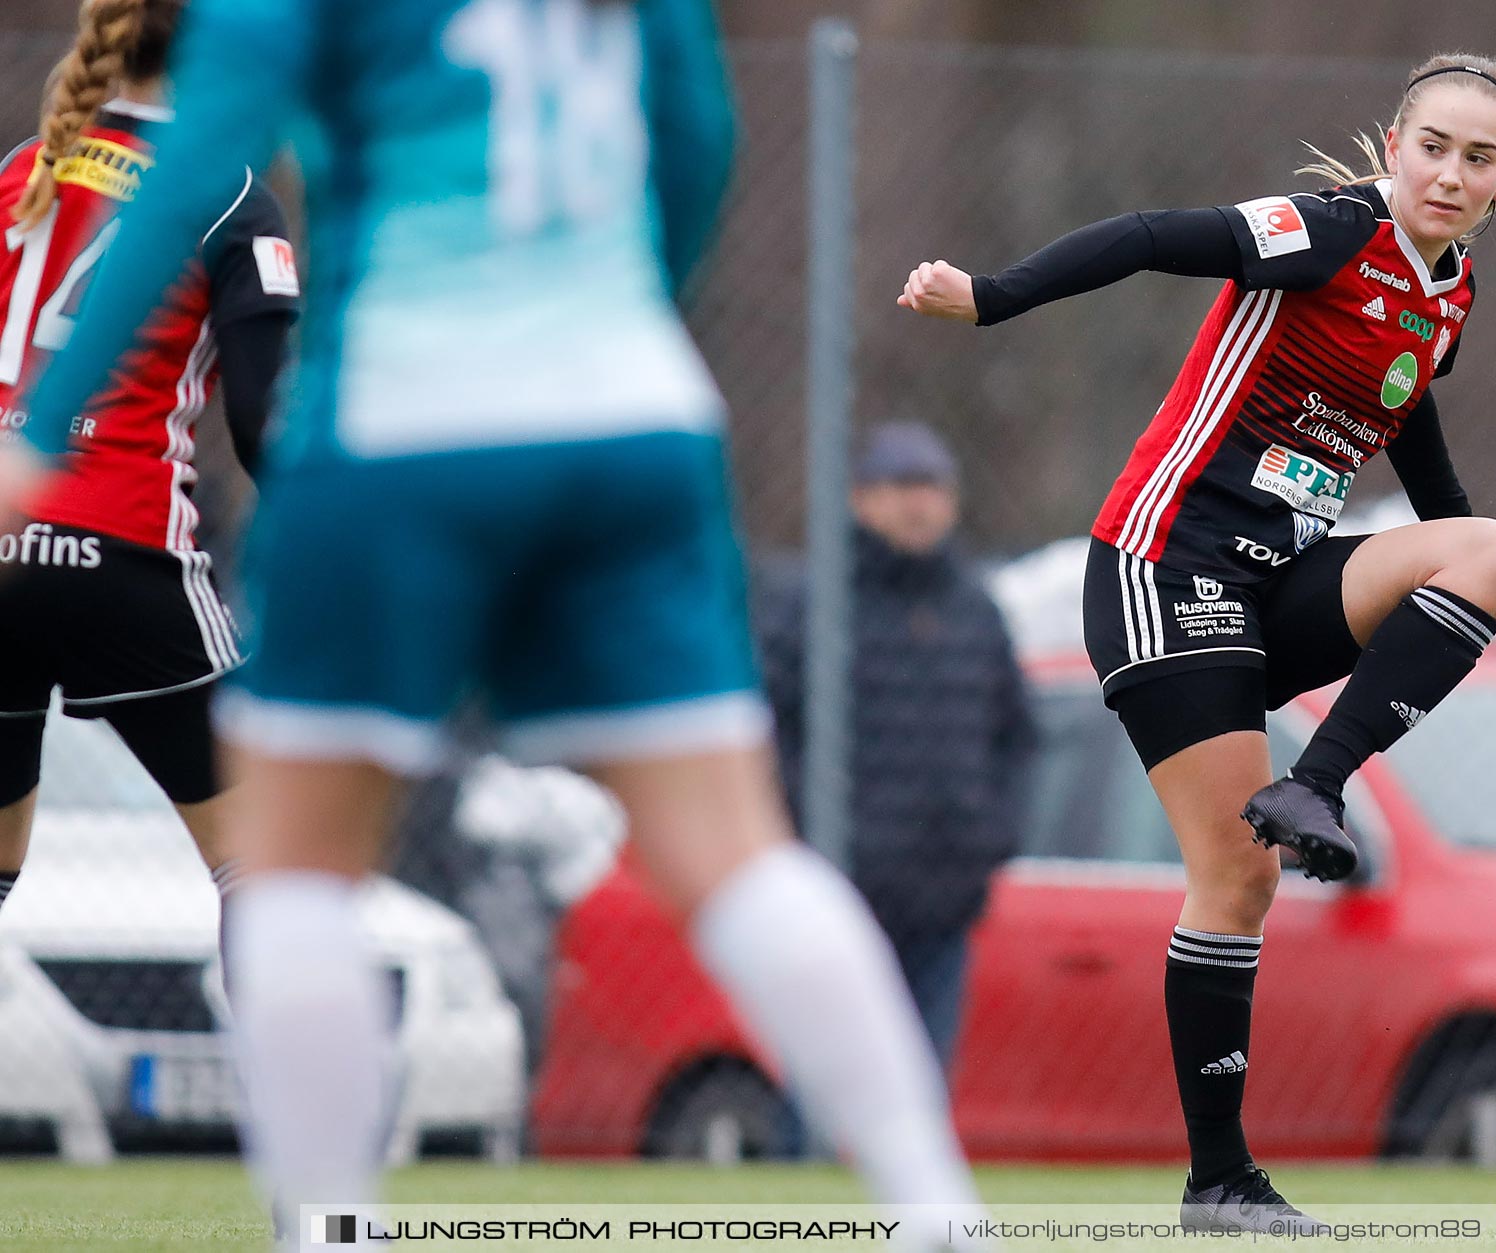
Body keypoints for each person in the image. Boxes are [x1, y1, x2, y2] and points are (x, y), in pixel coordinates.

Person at [3, 0, 984, 1244]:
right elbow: (696, 133)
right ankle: (934, 1206)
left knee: (295, 869)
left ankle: (328, 1225)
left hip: (400, 419)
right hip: (632, 419)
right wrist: (620, 313)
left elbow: (199, 158)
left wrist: (41, 440)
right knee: (737, 852)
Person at [899, 53, 1496, 1234]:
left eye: (1478, 158)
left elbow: (1413, 427)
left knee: (1492, 551)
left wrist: (1464, 579)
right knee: (1235, 877)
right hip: (1161, 568)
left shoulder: (1447, 299)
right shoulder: (1325, 232)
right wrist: (988, 295)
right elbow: (1147, 233)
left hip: (1272, 585)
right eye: (1434, 145)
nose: (1450, 172)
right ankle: (1221, 1180)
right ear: (1396, 146)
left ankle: (1317, 785)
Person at [0, 0, 295, 937]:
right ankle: (283, 1086)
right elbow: (261, 424)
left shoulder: (17, 174)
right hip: (124, 556)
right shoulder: (230, 193)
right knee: (266, 868)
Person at [759, 421, 1034, 1074]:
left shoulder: (976, 610)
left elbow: (1017, 735)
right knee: (829, 1079)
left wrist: (992, 835)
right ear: (861, 500)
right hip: (846, 887)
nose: (919, 503)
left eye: (932, 486)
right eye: (901, 486)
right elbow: (771, 735)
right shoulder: (817, 604)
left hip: (947, 890)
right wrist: (814, 834)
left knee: (923, 1080)